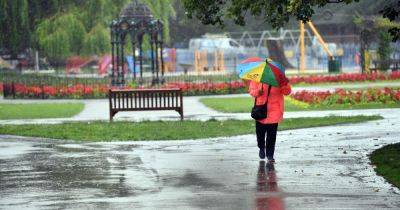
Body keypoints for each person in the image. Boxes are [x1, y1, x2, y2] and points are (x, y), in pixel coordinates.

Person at [249, 81, 291, 163]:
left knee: (272, 135)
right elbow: (252, 91)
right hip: (260, 111)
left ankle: (270, 155)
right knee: (260, 134)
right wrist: (258, 92)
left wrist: (283, 85)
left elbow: (287, 92)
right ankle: (261, 147)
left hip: (275, 110)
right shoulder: (258, 78)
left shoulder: (279, 78)